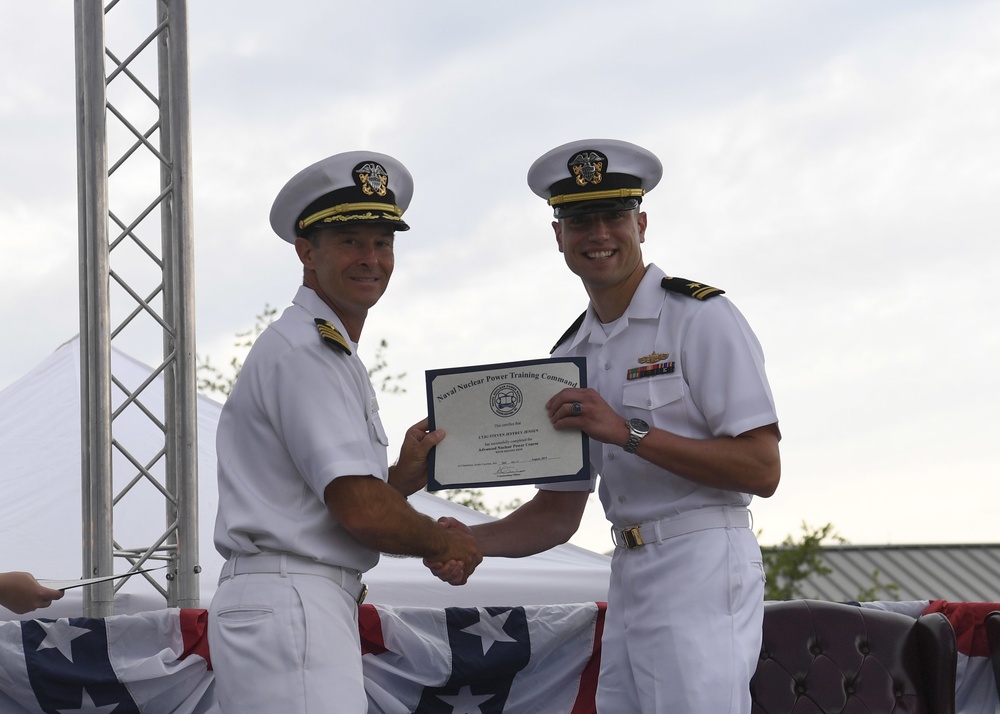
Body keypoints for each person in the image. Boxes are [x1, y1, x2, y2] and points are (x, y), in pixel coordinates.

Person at [432, 139, 780, 713]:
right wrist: (470, 541)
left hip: (702, 558)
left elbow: (762, 469)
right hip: (629, 569)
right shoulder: (573, 352)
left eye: (614, 216)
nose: (599, 235)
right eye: (580, 221)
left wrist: (628, 433)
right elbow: (558, 511)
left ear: (641, 223)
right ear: (558, 237)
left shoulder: (700, 317)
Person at [208, 151, 482, 714]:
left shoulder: (324, 348)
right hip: (293, 600)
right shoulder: (309, 351)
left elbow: (329, 504)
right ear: (306, 252)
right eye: (351, 241)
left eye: (383, 243)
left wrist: (397, 483)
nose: (371, 258)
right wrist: (442, 540)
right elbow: (358, 511)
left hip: (295, 600)